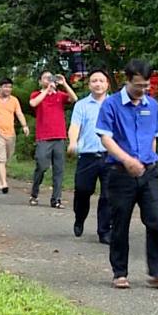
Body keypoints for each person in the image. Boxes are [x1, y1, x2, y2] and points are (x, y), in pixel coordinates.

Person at [96, 59, 158, 291]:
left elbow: (153, 135)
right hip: (120, 173)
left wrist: (148, 160)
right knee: (120, 223)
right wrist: (127, 160)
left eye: (146, 86)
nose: (143, 90)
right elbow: (105, 138)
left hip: (148, 172)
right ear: (127, 80)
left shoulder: (151, 105)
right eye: (139, 85)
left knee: (155, 221)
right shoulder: (111, 105)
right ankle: (120, 272)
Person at [67, 69, 112, 244]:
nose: (98, 84)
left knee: (108, 195)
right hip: (87, 155)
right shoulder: (82, 105)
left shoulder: (115, 104)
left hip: (110, 156)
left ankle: (104, 231)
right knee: (83, 190)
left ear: (107, 83)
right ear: (89, 84)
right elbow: (75, 126)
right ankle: (79, 217)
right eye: (94, 81)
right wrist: (73, 141)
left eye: (101, 80)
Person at [28, 70, 77, 208]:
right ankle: (34, 193)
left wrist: (65, 84)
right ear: (40, 81)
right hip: (43, 137)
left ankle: (56, 199)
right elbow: (33, 103)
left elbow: (74, 99)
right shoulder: (37, 94)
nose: (49, 80)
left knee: (59, 169)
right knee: (42, 166)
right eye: (46, 78)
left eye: (51, 78)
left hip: (59, 136)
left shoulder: (60, 96)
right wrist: (47, 90)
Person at [0, 78, 29, 194]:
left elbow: (19, 113)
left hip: (10, 133)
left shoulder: (14, 100)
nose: (8, 89)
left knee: (6, 158)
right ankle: (4, 183)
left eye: (10, 87)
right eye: (5, 86)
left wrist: (24, 125)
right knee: (1, 160)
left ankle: (0, 180)